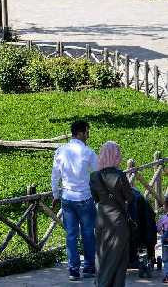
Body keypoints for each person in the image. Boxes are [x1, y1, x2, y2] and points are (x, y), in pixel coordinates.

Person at [51, 121, 98, 281]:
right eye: (87, 132)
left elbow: (55, 175)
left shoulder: (60, 151)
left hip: (67, 198)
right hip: (84, 197)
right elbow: (98, 174)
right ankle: (89, 267)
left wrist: (55, 194)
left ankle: (73, 270)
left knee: (71, 235)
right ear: (80, 133)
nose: (88, 135)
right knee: (88, 234)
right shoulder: (88, 152)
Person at [90, 141, 134, 287]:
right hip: (118, 222)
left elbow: (96, 198)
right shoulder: (120, 175)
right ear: (116, 155)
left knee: (102, 256)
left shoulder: (94, 177)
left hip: (102, 220)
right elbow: (130, 198)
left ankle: (100, 282)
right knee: (119, 258)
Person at [157, 196, 168, 284]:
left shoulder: (163, 218)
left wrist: (161, 232)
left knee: (166, 260)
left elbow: (158, 228)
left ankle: (167, 277)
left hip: (166, 242)